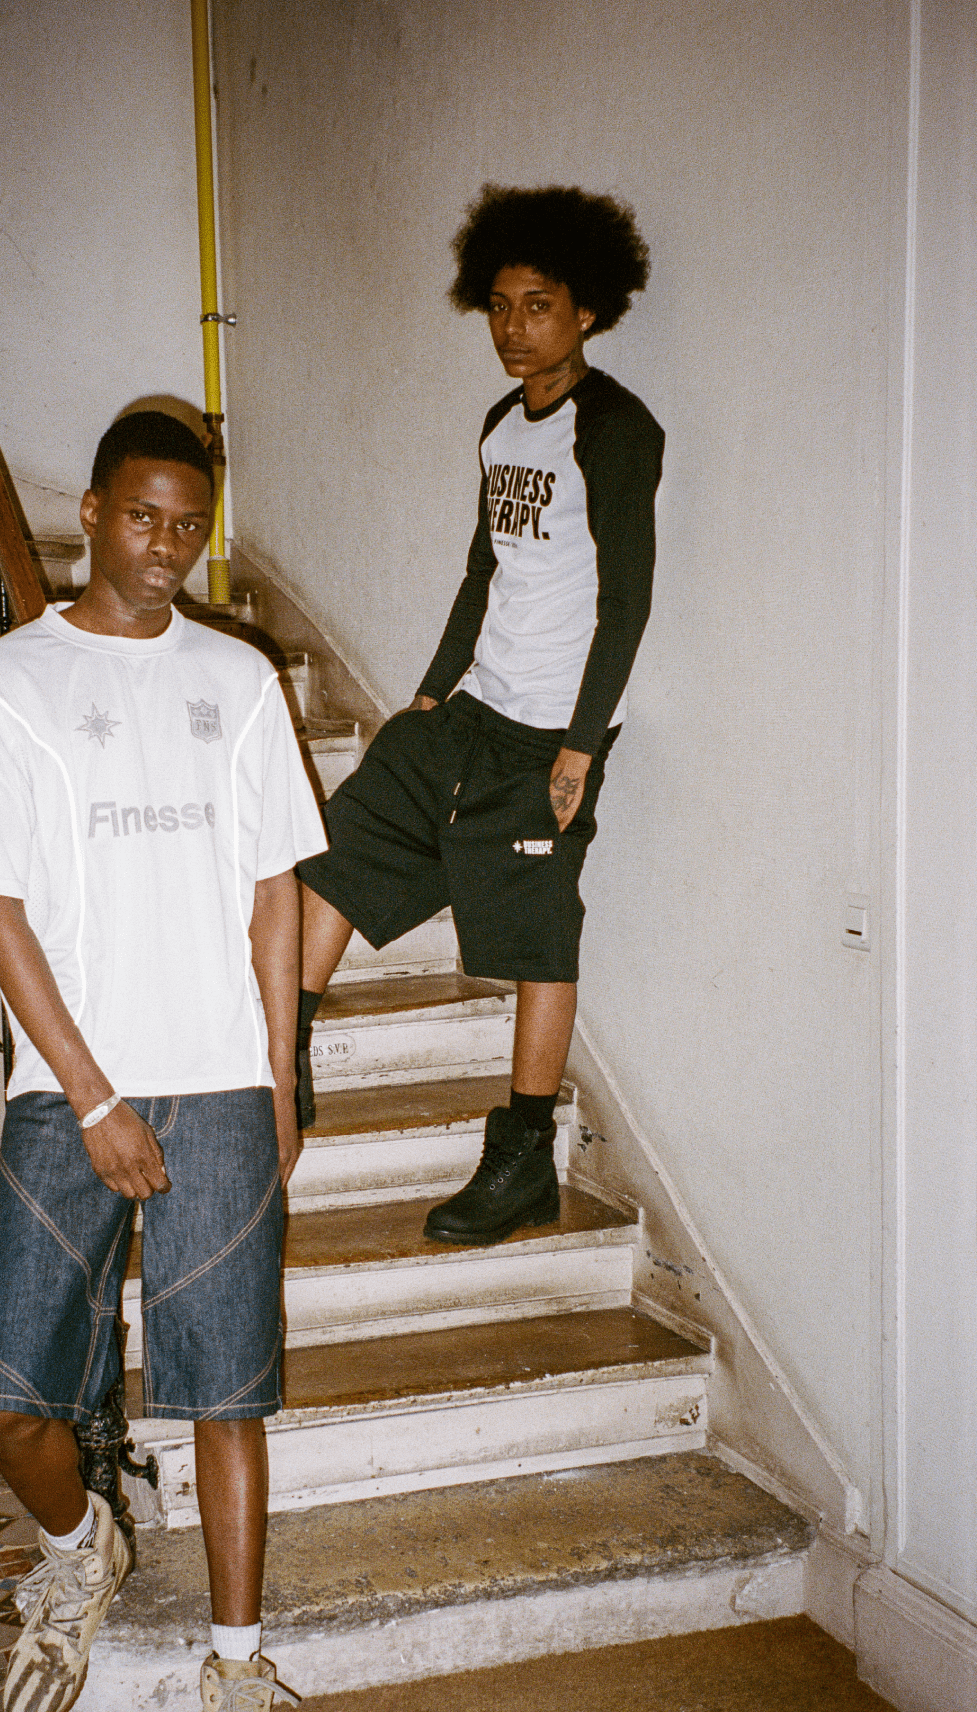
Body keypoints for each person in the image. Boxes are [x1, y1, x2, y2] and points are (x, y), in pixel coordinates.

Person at [0, 409, 326, 1712]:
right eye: (144, 517)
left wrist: (278, 1066)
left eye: (188, 524)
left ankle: (232, 1679)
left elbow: (275, 884)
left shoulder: (237, 677)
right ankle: (81, 1546)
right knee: (8, 1382)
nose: (167, 546)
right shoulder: (5, 680)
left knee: (225, 1395)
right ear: (90, 512)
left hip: (219, 1081)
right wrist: (89, 1093)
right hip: (68, 1089)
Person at [296, 184, 664, 1245]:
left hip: (548, 731)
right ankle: (289, 1046)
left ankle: (520, 1162)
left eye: (537, 304)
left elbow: (626, 599)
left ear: (585, 309)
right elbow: (481, 568)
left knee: (537, 938)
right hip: (469, 711)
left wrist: (580, 745)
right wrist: (427, 687)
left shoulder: (615, 429)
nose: (512, 328)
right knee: (340, 840)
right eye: (499, 305)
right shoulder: (503, 424)